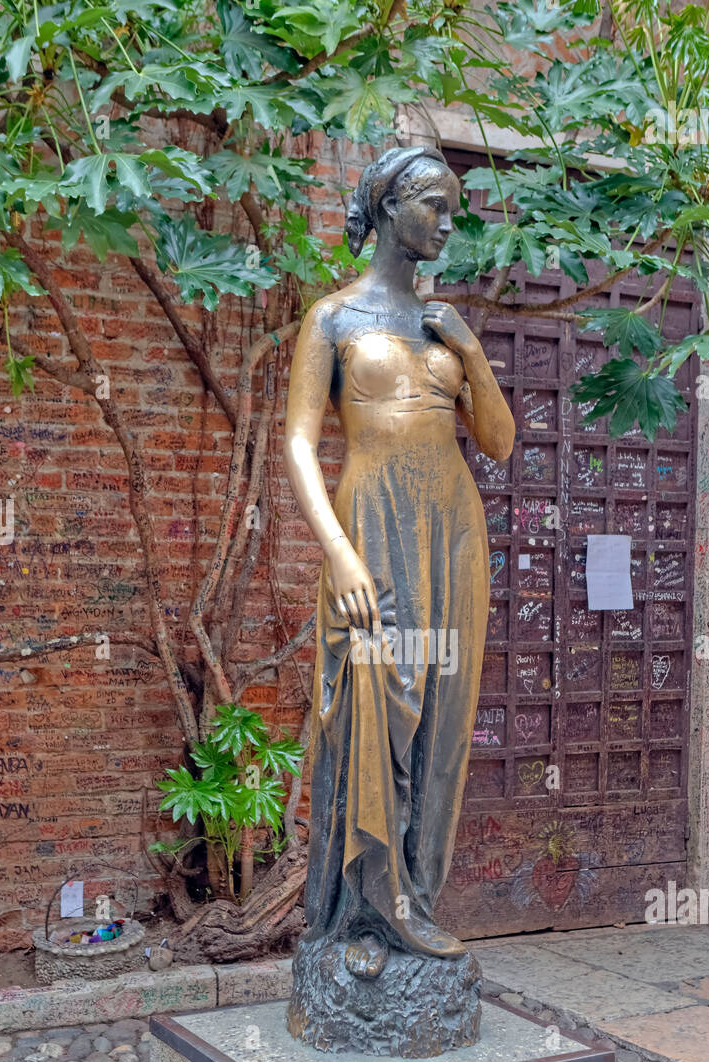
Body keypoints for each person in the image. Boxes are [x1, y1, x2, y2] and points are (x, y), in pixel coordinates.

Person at [283, 145, 515, 982]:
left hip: (451, 532)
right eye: (432, 203)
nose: (448, 220)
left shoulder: (445, 325)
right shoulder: (333, 320)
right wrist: (338, 554)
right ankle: (366, 910)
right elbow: (299, 444)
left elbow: (497, 442)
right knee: (375, 710)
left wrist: (473, 353)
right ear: (385, 207)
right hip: (371, 529)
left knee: (445, 719)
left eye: (454, 206)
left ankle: (419, 896)